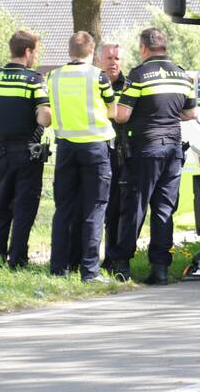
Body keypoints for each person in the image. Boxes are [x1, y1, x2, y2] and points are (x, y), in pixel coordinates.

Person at [107, 28, 196, 285]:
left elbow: (122, 115)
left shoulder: (139, 74)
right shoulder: (182, 75)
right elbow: (191, 114)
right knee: (164, 210)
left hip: (146, 149)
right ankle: (160, 269)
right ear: (164, 46)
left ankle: (122, 264)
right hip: (173, 150)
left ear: (144, 47)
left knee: (134, 207)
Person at [0, 30, 51, 269]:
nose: (35, 57)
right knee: (24, 209)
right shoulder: (34, 80)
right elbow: (45, 119)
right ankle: (17, 261)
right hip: (28, 153)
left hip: (1, 153)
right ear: (27, 51)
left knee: (1, 208)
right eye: (35, 52)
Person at [47, 31, 116, 282]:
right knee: (94, 209)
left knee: (63, 209)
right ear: (92, 51)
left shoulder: (52, 76)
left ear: (69, 51)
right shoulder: (98, 77)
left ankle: (58, 269)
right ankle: (90, 271)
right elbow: (113, 109)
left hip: (65, 147)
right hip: (95, 148)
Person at [67, 41, 128, 271]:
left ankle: (112, 261)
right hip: (92, 152)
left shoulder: (129, 85)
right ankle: (78, 260)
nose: (114, 63)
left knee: (115, 211)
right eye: (109, 58)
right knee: (84, 209)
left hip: (120, 155)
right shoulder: (90, 82)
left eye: (117, 59)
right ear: (99, 60)